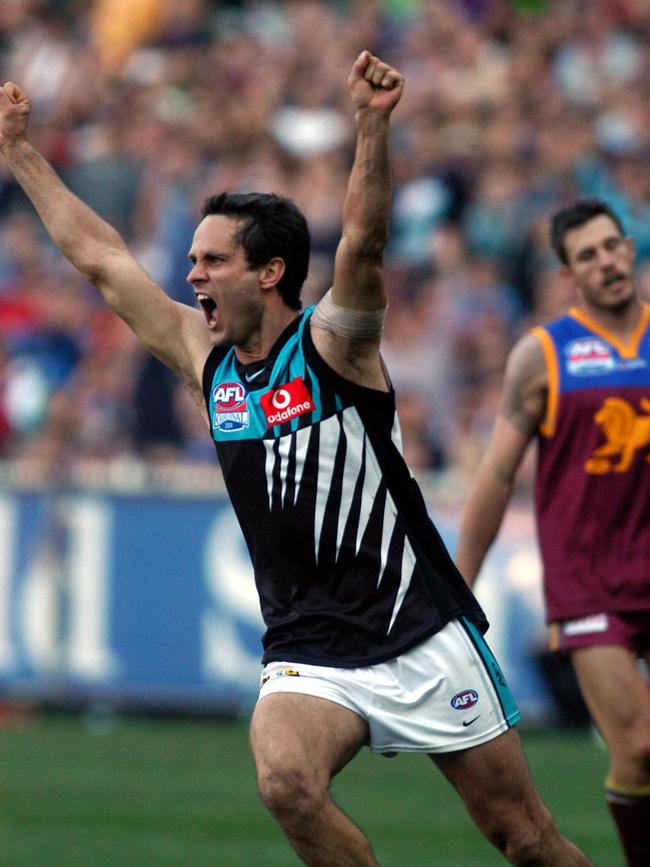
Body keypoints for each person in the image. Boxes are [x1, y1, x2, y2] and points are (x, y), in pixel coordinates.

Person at [0, 52, 590, 867]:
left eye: (212, 261)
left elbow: (366, 244)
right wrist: (21, 155)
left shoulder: (334, 346)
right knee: (284, 779)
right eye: (194, 259)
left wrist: (372, 126)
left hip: (417, 628)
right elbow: (101, 260)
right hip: (308, 647)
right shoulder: (205, 360)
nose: (191, 273)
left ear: (270, 271)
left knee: (525, 838)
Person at [457, 197, 650, 867]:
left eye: (612, 246)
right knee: (638, 745)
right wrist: (461, 584)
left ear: (631, 248)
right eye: (588, 254)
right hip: (589, 578)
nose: (607, 261)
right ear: (569, 275)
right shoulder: (543, 356)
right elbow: (496, 475)